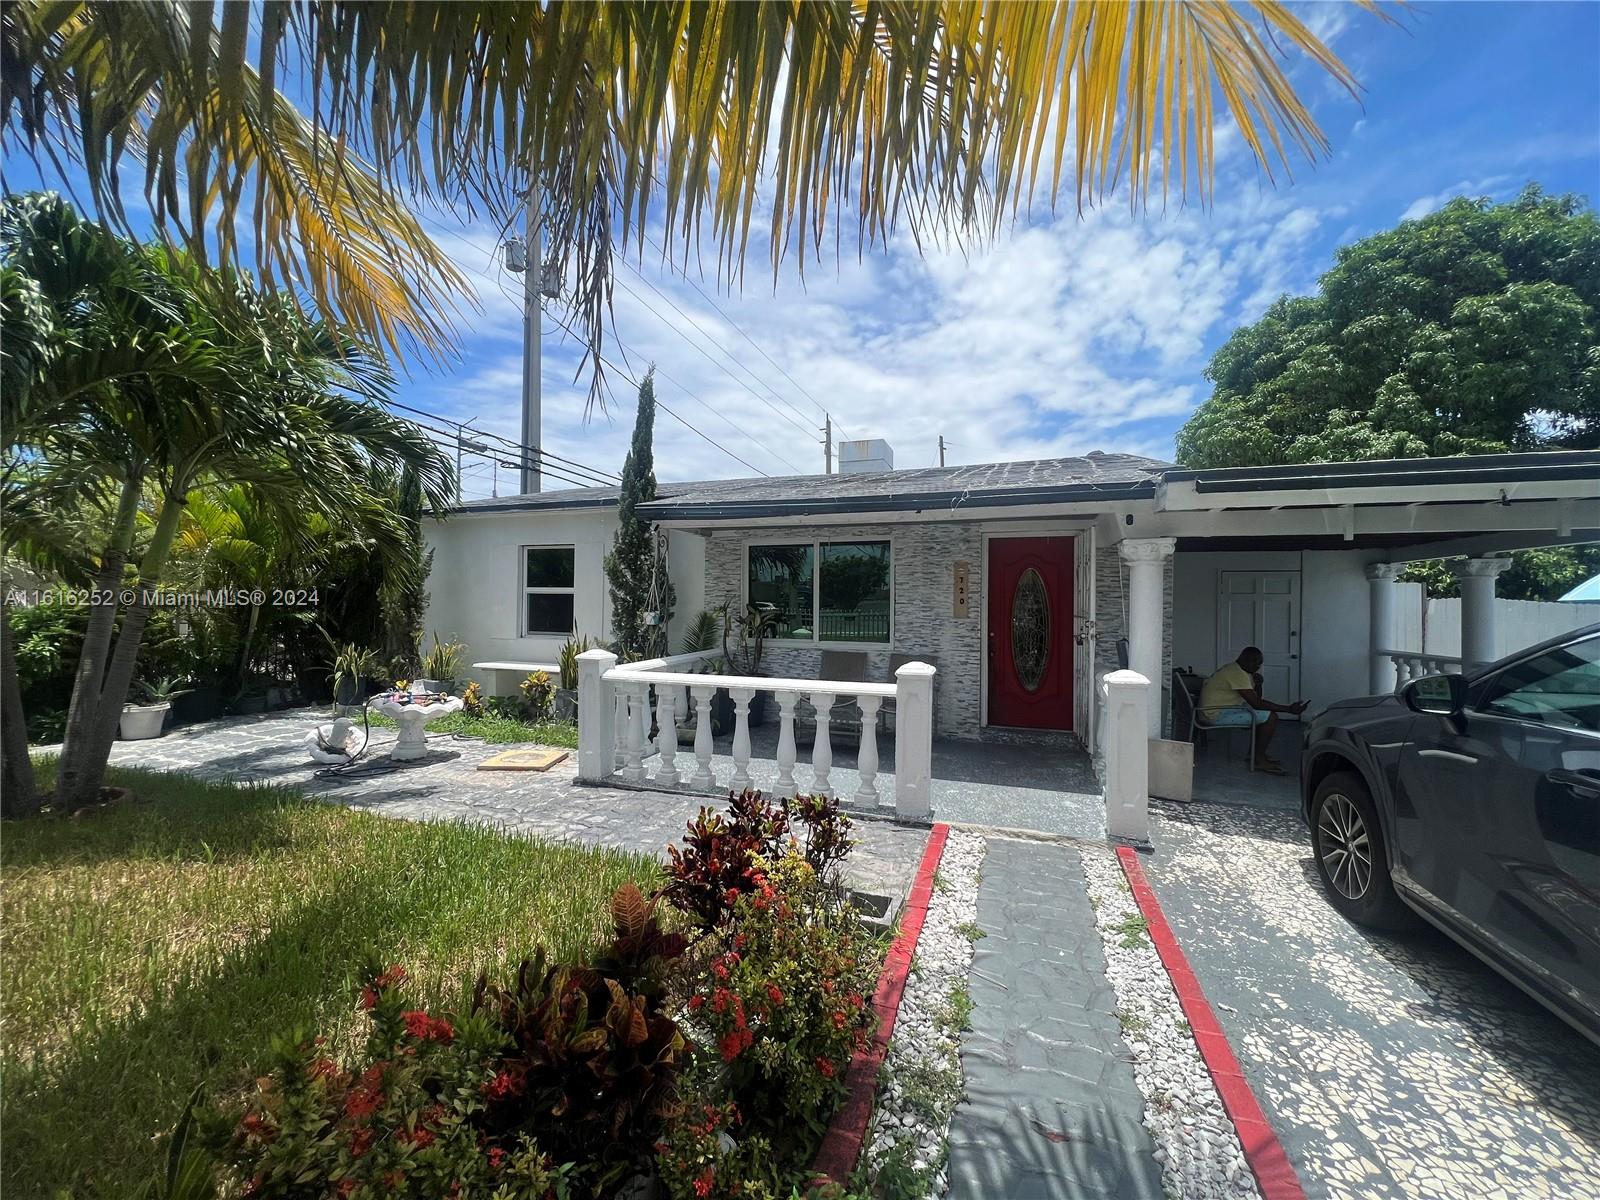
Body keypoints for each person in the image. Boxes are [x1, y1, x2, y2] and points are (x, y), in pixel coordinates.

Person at [1198, 646, 1308, 774]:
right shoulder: (1237, 674)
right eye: (1255, 663)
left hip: (1215, 710)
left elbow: (1256, 698)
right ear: (1244, 660)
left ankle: (1255, 755)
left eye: (1259, 663)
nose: (1258, 667)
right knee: (1271, 718)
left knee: (1264, 716)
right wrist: (1289, 709)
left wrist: (1258, 684)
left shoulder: (1238, 670)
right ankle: (1259, 759)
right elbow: (1257, 704)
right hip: (1214, 714)